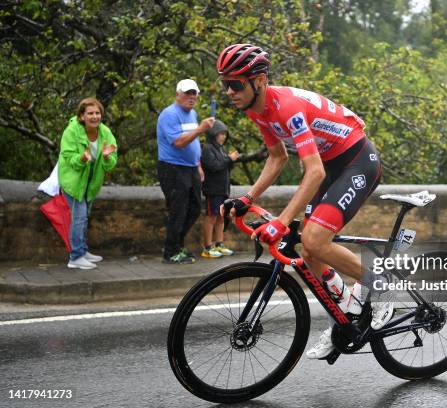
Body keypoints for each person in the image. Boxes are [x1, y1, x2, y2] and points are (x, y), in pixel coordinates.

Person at [217, 44, 393, 359]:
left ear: (259, 81)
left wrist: (281, 222)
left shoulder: (284, 107)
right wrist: (247, 197)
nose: (229, 91)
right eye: (224, 83)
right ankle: (346, 317)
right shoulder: (259, 110)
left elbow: (313, 173)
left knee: (314, 237)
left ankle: (379, 283)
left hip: (357, 159)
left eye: (236, 84)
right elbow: (277, 156)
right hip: (330, 163)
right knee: (310, 250)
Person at [157, 79, 215, 264]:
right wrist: (201, 129)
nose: (191, 97)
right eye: (187, 93)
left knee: (195, 208)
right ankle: (170, 251)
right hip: (173, 168)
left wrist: (197, 164)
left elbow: (193, 143)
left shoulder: (193, 114)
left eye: (194, 94)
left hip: (190, 167)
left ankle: (178, 245)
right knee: (178, 210)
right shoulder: (169, 114)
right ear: (178, 94)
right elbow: (179, 142)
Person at [58, 97, 118, 270]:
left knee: (84, 218)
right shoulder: (72, 131)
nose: (94, 116)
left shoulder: (105, 132)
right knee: (79, 218)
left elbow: (112, 161)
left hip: (91, 183)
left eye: (97, 113)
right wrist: (82, 158)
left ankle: (83, 251)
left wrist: (106, 157)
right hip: (74, 182)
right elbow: (68, 158)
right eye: (90, 113)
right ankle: (75, 257)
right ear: (82, 116)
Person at [200, 120, 240, 258]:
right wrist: (229, 159)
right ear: (213, 134)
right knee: (211, 217)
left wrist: (230, 161)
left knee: (221, 217)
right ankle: (207, 247)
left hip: (223, 189)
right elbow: (213, 166)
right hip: (213, 190)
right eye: (220, 134)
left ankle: (219, 244)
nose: (223, 137)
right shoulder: (207, 149)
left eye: (224, 134)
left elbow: (225, 167)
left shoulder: (220, 149)